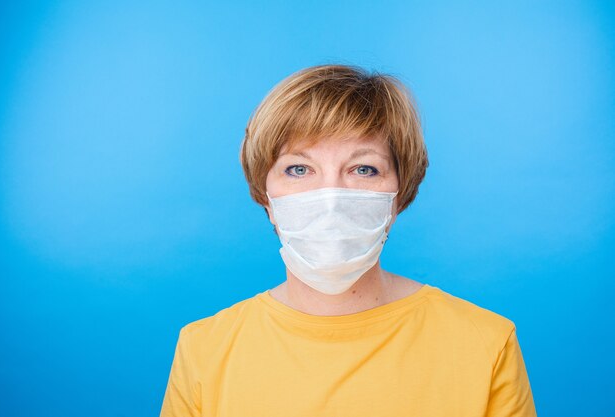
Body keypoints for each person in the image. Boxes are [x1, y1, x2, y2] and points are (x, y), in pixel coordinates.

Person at [159, 64, 537, 416]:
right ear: (266, 197)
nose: (330, 198)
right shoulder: (204, 350)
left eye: (363, 169)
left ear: (399, 195)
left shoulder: (485, 344)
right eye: (299, 169)